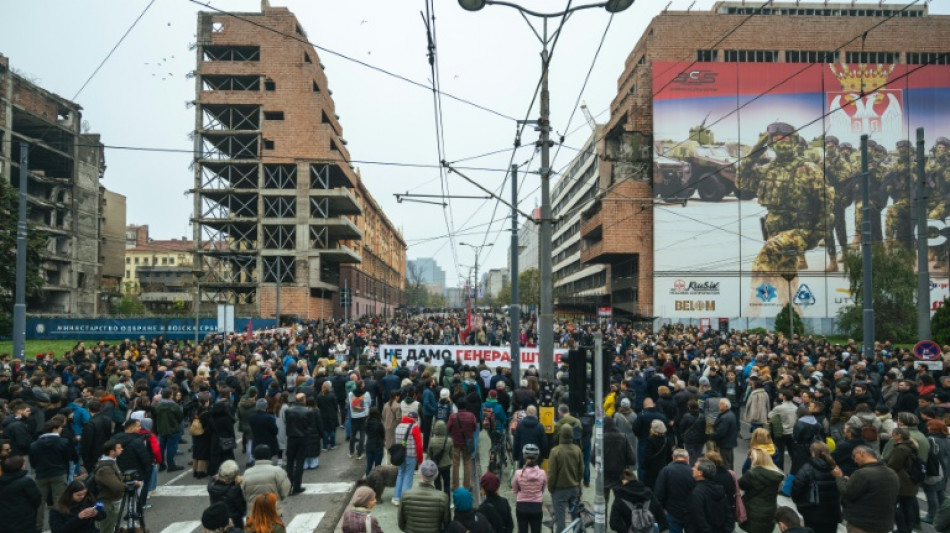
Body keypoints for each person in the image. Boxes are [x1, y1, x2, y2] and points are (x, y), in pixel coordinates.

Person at [832, 445, 899, 533]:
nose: (855, 461)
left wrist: (839, 477)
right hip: (884, 523)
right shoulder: (892, 473)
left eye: (855, 456)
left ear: (862, 453)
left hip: (861, 524)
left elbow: (847, 493)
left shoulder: (862, 473)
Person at [30, 419, 74, 532]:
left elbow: (33, 462)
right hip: (58, 473)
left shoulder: (34, 445)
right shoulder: (63, 442)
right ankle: (58, 526)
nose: (61, 429)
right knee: (59, 501)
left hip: (41, 475)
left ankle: (38, 526)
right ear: (54, 429)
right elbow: (68, 458)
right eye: (60, 428)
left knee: (39, 502)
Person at [791, 441, 841, 533]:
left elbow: (796, 489)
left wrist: (800, 503)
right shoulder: (835, 468)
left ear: (813, 453)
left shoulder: (807, 468)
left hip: (812, 512)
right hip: (832, 513)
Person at [398, 459, 451, 533]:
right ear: (435, 476)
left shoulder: (406, 495)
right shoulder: (443, 498)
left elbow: (401, 524)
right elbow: (447, 523)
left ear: (420, 474)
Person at [548, 423, 583, 533]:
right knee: (576, 517)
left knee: (560, 519)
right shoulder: (577, 450)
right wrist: (578, 485)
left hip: (559, 490)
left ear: (561, 435)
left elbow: (552, 473)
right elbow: (581, 471)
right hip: (574, 488)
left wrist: (550, 488)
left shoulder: (555, 451)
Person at [739, 448, 784, 533]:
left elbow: (740, 484)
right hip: (770, 511)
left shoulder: (752, 474)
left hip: (752, 511)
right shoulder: (777, 474)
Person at [609, 468, 669, 533]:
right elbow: (663, 522)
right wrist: (654, 529)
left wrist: (626, 531)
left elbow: (614, 524)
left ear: (623, 482)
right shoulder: (650, 496)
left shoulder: (620, 499)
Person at [241, 445, 291, 516]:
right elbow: (285, 490)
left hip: (254, 512)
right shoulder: (277, 471)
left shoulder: (247, 473)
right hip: (273, 510)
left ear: (255, 457)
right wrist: (279, 499)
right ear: (269, 456)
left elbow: (244, 493)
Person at [886, 427, 920, 533]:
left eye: (894, 434)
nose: (892, 436)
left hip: (902, 481)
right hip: (911, 480)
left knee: (895, 506)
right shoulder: (912, 446)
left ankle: (902, 529)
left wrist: (886, 465)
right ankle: (908, 529)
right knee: (907, 506)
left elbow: (894, 465)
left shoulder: (900, 449)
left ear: (899, 436)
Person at [688, 457, 734, 533]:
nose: (692, 468)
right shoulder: (720, 490)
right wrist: (726, 529)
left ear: (700, 473)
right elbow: (728, 513)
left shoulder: (697, 493)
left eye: (695, 467)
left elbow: (698, 518)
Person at [654, 448, 695, 533]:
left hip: (672, 512)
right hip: (690, 512)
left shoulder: (666, 471)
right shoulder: (693, 471)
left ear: (673, 458)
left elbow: (658, 493)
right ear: (688, 459)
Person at [0, 455, 42, 533]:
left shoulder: (2, 482)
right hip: (25, 521)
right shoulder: (26, 482)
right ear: (20, 467)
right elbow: (37, 499)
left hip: (5, 522)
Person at [284, 393, 315, 495]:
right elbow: (311, 425)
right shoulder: (308, 411)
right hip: (302, 438)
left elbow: (287, 423)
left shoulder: (288, 410)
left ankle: (289, 486)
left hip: (291, 438)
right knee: (300, 463)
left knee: (289, 462)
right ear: (303, 400)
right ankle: (297, 486)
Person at [512, 444, 546, 533]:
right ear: (537, 457)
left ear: (524, 456)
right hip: (537, 507)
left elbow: (515, 490)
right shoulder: (542, 473)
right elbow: (542, 489)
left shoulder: (518, 473)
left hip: (521, 507)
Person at [393, 411, 423, 506]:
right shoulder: (414, 427)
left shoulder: (398, 426)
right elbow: (419, 446)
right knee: (408, 476)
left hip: (400, 455)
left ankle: (396, 498)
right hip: (411, 455)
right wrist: (420, 459)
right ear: (415, 419)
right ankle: (405, 499)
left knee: (400, 474)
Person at [447, 400, 478, 492]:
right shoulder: (471, 416)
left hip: (455, 443)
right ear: (465, 407)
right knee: (467, 463)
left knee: (455, 464)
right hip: (467, 444)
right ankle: (467, 486)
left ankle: (455, 486)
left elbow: (448, 428)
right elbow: (475, 428)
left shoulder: (452, 416)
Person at [207, 459, 246, 529]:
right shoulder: (234, 490)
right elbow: (242, 508)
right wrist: (239, 485)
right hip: (234, 520)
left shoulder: (211, 486)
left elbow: (212, 480)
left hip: (217, 517)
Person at [154, 388, 185, 472]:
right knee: (171, 447)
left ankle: (161, 464)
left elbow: (155, 416)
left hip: (161, 429)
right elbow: (180, 417)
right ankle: (171, 465)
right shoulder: (174, 405)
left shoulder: (158, 405)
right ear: (171, 395)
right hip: (173, 428)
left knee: (161, 447)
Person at [643, 419, 672, 490]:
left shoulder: (650, 440)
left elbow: (647, 456)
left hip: (652, 467)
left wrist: (645, 465)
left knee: (651, 486)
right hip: (663, 465)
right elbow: (669, 456)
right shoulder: (667, 440)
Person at [428, 420, 454, 496]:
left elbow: (429, 454)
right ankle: (447, 499)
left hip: (436, 466)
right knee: (447, 484)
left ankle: (438, 498)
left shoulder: (432, 441)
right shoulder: (449, 440)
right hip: (446, 465)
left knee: (437, 484)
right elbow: (451, 454)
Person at [249, 398, 279, 464]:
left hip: (256, 442)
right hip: (269, 444)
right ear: (266, 406)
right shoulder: (269, 418)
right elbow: (275, 431)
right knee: (268, 462)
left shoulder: (251, 417)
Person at [712, 398, 738, 469]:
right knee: (729, 462)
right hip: (729, 442)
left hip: (724, 443)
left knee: (725, 463)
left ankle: (727, 474)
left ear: (726, 406)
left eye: (721, 404)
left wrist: (711, 436)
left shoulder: (725, 417)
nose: (719, 405)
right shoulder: (730, 414)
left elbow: (720, 432)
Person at [349, 380, 371, 460]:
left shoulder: (351, 394)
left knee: (353, 434)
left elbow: (350, 403)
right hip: (363, 415)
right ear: (362, 385)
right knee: (362, 434)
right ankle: (359, 453)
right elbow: (369, 403)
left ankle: (351, 452)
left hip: (354, 415)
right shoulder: (366, 394)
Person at [364, 406, 386, 476]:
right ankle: (376, 480)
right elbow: (383, 434)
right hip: (378, 446)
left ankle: (367, 479)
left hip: (369, 446)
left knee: (369, 466)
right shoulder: (379, 423)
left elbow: (366, 432)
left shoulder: (367, 422)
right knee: (377, 467)